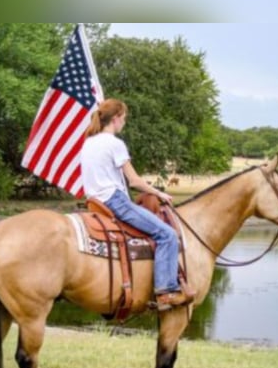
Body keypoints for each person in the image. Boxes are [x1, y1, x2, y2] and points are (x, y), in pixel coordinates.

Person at [80, 98, 194, 311]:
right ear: (115, 119)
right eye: (124, 118)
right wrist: (159, 193)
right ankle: (166, 292)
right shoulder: (115, 144)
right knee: (167, 234)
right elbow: (134, 181)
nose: (124, 122)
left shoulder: (88, 142)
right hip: (115, 201)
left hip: (95, 202)